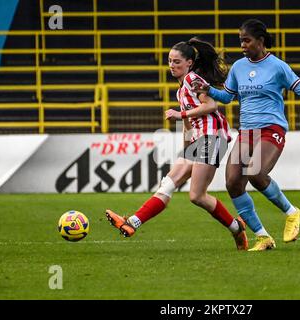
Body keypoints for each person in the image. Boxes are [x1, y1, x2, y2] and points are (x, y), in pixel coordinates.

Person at [105, 38, 248, 250]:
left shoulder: (192, 79)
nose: (172, 65)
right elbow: (188, 122)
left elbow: (211, 105)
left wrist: (180, 113)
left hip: (213, 137)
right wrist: (185, 145)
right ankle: (132, 223)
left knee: (197, 196)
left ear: (189, 63)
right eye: (170, 61)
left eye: (177, 62)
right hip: (199, 140)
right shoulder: (180, 89)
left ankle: (237, 228)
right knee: (168, 184)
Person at [192, 19, 300, 251]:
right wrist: (208, 90)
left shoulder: (277, 66)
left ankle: (291, 212)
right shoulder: (239, 67)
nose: (242, 45)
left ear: (260, 41)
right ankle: (262, 236)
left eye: (247, 40)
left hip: (271, 128)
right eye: (241, 41)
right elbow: (228, 97)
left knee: (256, 172)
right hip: (246, 131)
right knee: (232, 182)